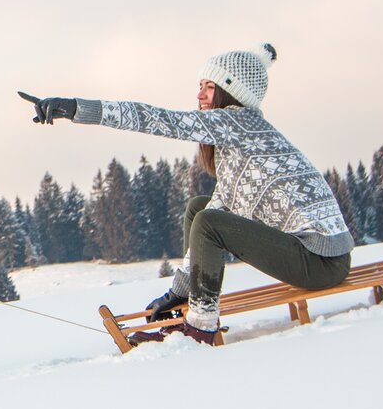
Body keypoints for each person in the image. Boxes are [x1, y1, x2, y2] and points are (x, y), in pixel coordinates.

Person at [20, 44, 353, 344]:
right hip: (320, 257)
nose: (200, 96)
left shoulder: (237, 123)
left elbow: (156, 119)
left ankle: (200, 328)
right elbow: (222, 206)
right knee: (202, 208)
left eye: (210, 87)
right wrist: (177, 292)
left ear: (231, 93)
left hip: (321, 261)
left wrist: (76, 108)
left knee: (209, 221)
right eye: (200, 86)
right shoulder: (243, 138)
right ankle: (192, 302)